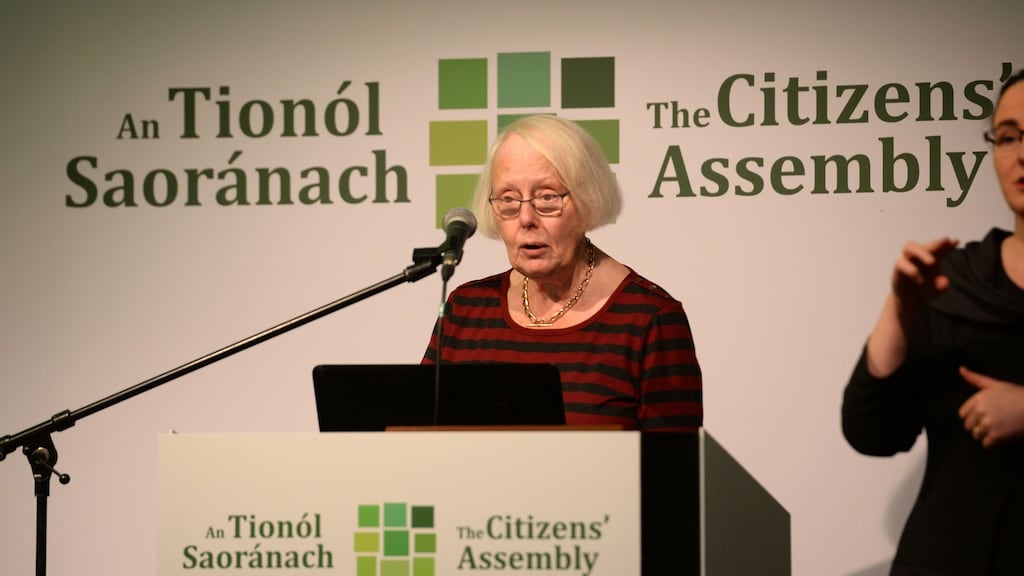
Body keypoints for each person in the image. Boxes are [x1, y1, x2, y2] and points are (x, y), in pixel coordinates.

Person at [842, 68, 1024, 575]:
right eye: (1008, 137)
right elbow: (872, 431)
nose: (1021, 154)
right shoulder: (957, 282)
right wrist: (900, 307)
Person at [422, 115, 702, 432]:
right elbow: (414, 436)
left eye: (547, 197)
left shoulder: (649, 320)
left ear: (587, 200)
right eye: (509, 199)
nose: (526, 218)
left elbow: (675, 459)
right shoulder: (465, 309)